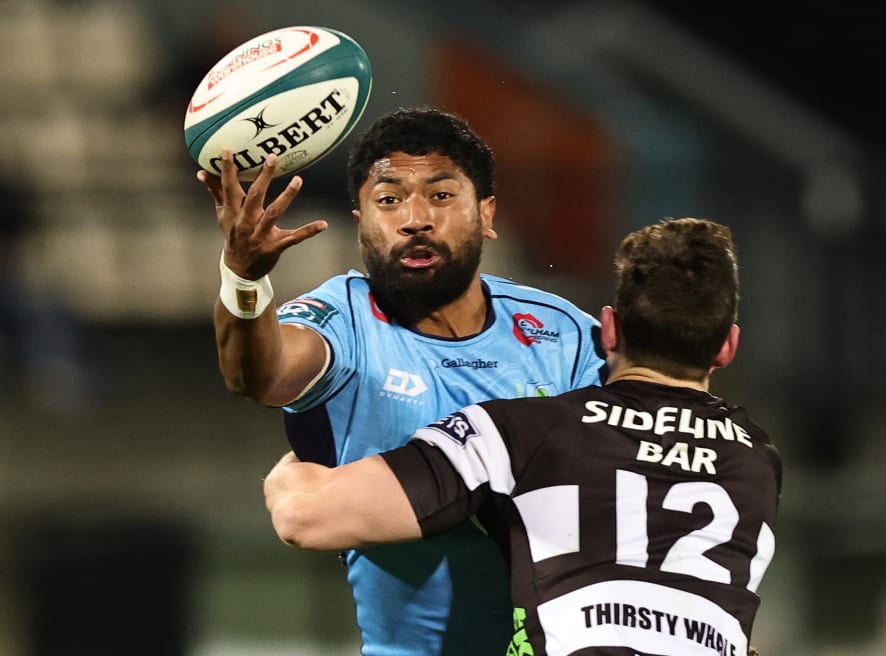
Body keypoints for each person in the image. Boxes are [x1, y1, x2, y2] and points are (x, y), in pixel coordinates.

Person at [264, 217, 783, 656]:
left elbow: (304, 517)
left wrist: (299, 465)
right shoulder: (758, 459)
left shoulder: (523, 429)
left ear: (608, 330)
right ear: (727, 347)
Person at [197, 107, 606, 655]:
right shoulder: (343, 321)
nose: (415, 218)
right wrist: (243, 279)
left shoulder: (564, 334)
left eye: (440, 196)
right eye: (388, 199)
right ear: (361, 220)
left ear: (486, 213)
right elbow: (259, 376)